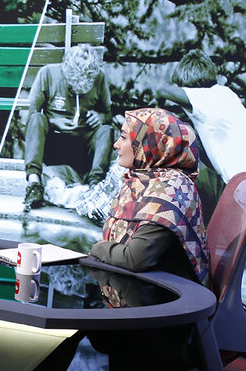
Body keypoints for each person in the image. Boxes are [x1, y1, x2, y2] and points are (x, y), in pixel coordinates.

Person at [136, 49, 246, 219]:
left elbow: (161, 89)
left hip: (239, 203)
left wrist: (158, 107)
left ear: (186, 86)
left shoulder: (206, 98)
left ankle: (151, 218)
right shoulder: (225, 96)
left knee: (173, 156)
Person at [89, 108, 210, 286]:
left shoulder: (171, 189)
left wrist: (98, 248)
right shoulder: (141, 180)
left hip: (169, 297)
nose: (116, 144)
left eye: (123, 137)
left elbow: (134, 259)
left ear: (148, 144)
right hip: (140, 287)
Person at [22, 42, 116, 209]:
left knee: (106, 130)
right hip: (54, 144)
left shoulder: (99, 77)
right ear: (66, 70)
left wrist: (100, 117)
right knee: (37, 119)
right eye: (74, 85)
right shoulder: (48, 74)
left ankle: (95, 187)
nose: (78, 91)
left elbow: (108, 115)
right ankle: (34, 183)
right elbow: (31, 117)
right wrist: (53, 122)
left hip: (82, 147)